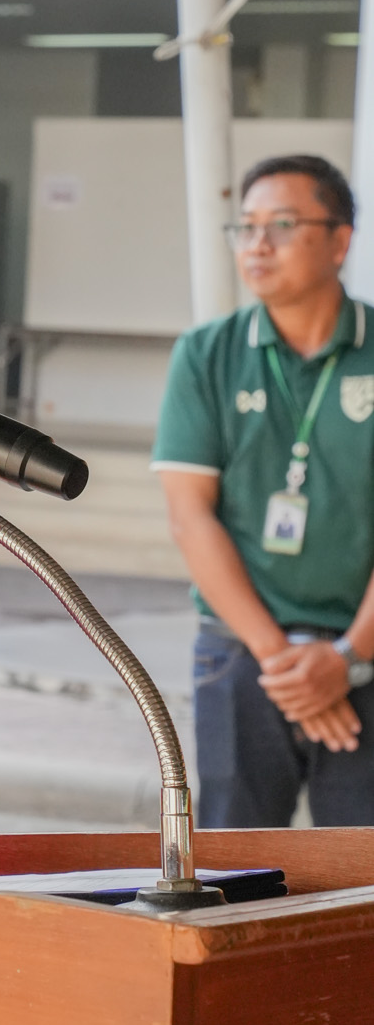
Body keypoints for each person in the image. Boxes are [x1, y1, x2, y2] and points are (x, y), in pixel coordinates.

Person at [153, 153, 374, 828]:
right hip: (240, 653)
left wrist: (347, 657)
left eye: (281, 224)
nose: (256, 244)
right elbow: (190, 517)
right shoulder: (206, 354)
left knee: (362, 872)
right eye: (245, 226)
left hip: (366, 649)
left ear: (338, 240)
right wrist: (285, 666)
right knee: (236, 865)